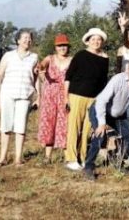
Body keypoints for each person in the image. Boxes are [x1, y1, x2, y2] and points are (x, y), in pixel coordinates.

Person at [83, 59, 129, 180]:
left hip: (119, 114)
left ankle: (117, 160)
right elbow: (101, 101)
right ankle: (88, 166)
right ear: (127, 70)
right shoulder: (118, 79)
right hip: (99, 109)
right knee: (100, 135)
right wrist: (102, 124)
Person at [63, 28, 109, 171]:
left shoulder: (105, 58)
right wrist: (66, 97)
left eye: (99, 39)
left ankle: (83, 157)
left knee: (88, 129)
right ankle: (71, 158)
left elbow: (103, 81)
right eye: (93, 39)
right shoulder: (80, 55)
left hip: (94, 98)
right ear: (88, 41)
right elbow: (68, 77)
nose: (96, 42)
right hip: (77, 95)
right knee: (74, 126)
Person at [0, 30, 39, 167]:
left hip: (25, 94)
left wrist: (39, 96)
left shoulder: (35, 57)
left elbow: (36, 78)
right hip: (7, 93)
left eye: (30, 38)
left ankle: (18, 158)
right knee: (6, 126)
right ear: (18, 41)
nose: (27, 41)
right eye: (24, 38)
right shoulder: (8, 56)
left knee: (21, 127)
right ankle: (3, 157)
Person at [36, 33, 72, 162]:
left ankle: (67, 156)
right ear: (55, 47)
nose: (62, 48)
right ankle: (47, 156)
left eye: (65, 45)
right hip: (49, 94)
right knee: (49, 122)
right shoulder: (50, 58)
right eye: (60, 45)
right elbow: (42, 65)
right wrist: (40, 68)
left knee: (64, 123)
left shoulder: (72, 60)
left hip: (65, 94)